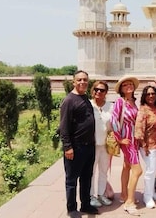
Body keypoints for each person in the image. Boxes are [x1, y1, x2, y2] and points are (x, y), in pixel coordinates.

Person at [59, 70, 98, 218]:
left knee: (86, 178)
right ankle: (72, 208)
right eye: (79, 80)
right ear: (74, 82)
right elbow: (64, 126)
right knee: (71, 180)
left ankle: (86, 205)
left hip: (89, 146)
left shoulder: (84, 98)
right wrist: (68, 147)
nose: (82, 82)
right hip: (76, 147)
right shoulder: (69, 100)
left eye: (85, 80)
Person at [110, 75, 142, 215]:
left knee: (127, 166)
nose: (128, 86)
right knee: (138, 170)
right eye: (125, 85)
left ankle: (124, 194)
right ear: (121, 89)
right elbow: (114, 120)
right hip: (126, 140)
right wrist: (119, 139)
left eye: (130, 84)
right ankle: (129, 202)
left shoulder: (133, 102)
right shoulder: (120, 102)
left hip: (133, 140)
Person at [135, 85, 156, 209]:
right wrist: (144, 145)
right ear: (144, 97)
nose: (151, 96)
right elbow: (139, 130)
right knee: (151, 170)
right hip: (148, 145)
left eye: (153, 94)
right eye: (148, 94)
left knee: (155, 168)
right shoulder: (143, 110)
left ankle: (151, 191)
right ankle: (147, 196)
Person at [89, 80, 113, 208]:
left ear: (106, 93)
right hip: (91, 144)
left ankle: (101, 194)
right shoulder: (88, 105)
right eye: (96, 89)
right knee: (91, 171)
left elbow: (114, 125)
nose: (99, 92)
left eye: (102, 90)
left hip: (105, 144)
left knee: (104, 170)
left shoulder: (110, 106)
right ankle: (91, 195)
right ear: (93, 91)